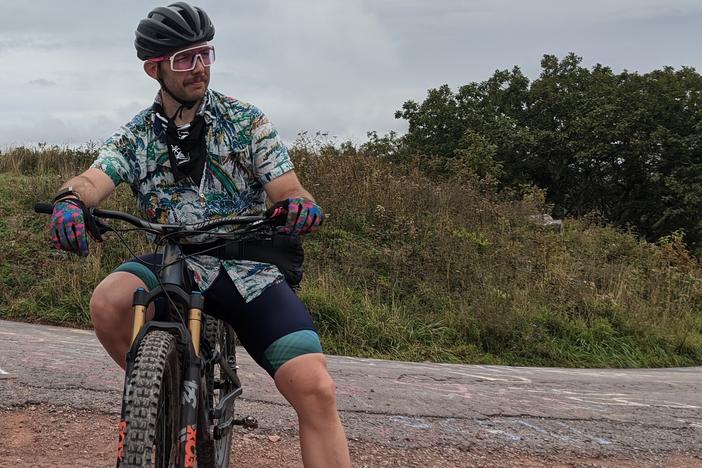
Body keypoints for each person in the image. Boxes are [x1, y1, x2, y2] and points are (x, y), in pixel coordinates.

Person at [48, 3, 351, 467]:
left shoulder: (245, 121)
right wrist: (70, 201)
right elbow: (94, 178)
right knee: (109, 301)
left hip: (248, 268)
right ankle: (165, 400)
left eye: (206, 54)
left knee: (316, 388)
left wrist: (299, 204)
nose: (201, 68)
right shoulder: (137, 136)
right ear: (155, 68)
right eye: (185, 59)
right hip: (175, 261)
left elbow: (288, 188)